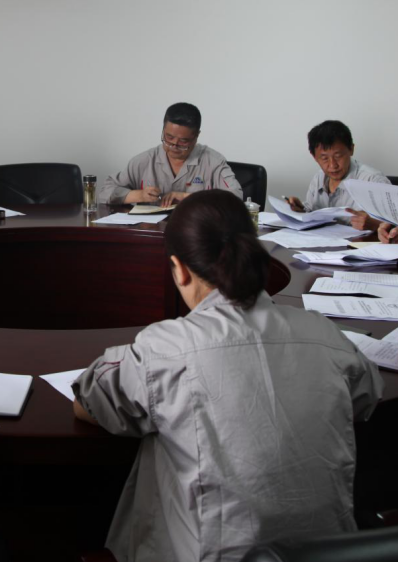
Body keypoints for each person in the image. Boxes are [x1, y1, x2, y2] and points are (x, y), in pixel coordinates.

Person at [72, 190, 382, 562]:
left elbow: (89, 403)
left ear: (179, 269)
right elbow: (366, 397)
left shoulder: (166, 348)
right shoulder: (324, 332)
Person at [100, 103, 243, 207]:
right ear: (163, 130)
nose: (174, 145)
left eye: (183, 141)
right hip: (152, 230)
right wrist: (139, 195)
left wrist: (186, 197)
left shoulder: (213, 162)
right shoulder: (144, 161)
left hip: (198, 232)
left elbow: (235, 198)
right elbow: (105, 191)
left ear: (196, 136)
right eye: (169, 137)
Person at [286, 120, 389, 231]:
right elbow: (312, 213)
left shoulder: (373, 181)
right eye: (324, 158)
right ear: (314, 156)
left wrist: (374, 225)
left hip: (358, 242)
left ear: (351, 149)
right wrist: (300, 210)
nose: (333, 165)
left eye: (338, 156)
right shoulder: (319, 178)